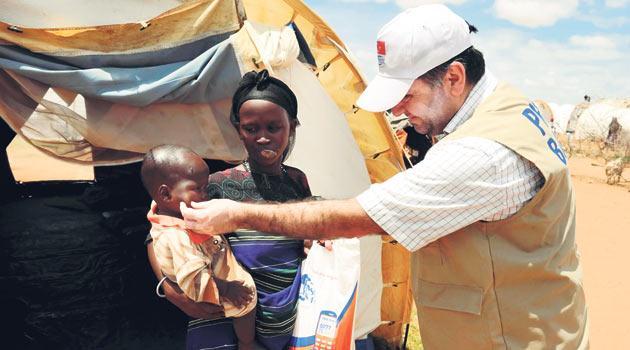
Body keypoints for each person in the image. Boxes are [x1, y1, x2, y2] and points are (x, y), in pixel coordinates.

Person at [180, 4, 589, 349]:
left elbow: (362, 217)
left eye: (407, 95)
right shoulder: (507, 109)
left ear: (454, 77)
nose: (398, 112)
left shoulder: (484, 152)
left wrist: (240, 214)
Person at [141, 145, 257, 350]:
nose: (207, 194)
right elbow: (193, 278)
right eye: (199, 188)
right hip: (218, 293)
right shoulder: (176, 235)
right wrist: (227, 288)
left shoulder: (169, 210)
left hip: (218, 279)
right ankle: (247, 343)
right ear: (166, 195)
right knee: (247, 306)